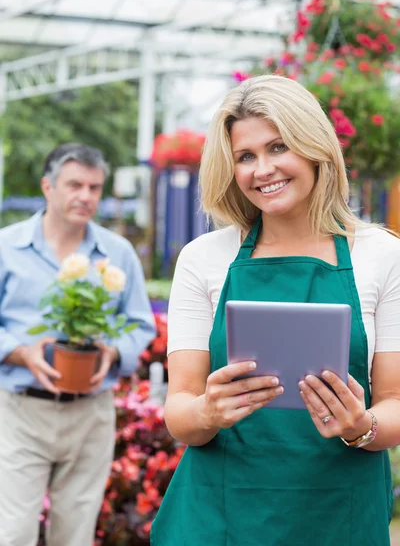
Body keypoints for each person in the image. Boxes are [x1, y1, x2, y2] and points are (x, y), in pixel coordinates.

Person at [151, 75, 400, 546]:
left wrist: (360, 426)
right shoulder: (203, 258)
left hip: (337, 513)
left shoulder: (382, 257)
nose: (262, 169)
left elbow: (394, 404)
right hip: (220, 513)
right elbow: (179, 410)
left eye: (278, 147)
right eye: (245, 156)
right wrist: (208, 411)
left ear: (315, 148)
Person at [0, 143, 156, 546]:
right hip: (19, 411)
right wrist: (22, 353)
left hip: (91, 414)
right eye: (75, 185)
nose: (85, 196)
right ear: (47, 186)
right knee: (12, 533)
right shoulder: (6, 247)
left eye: (94, 187)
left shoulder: (117, 253)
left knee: (74, 535)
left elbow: (141, 324)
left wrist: (113, 351)